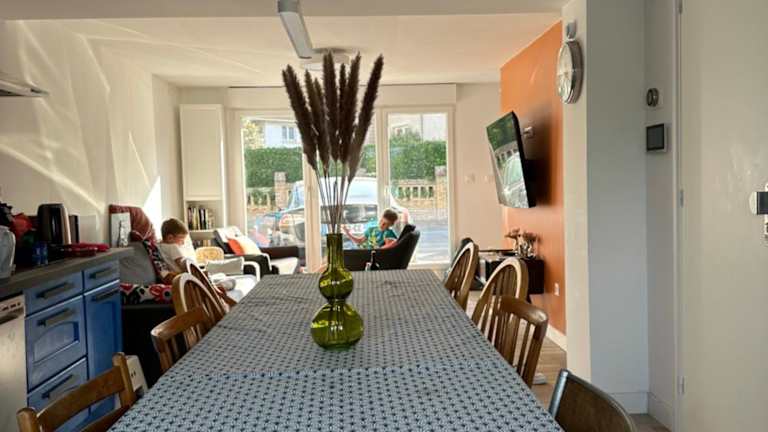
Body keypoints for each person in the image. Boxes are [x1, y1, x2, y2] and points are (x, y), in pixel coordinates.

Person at [157, 218, 196, 283]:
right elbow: (183, 263)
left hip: (171, 275)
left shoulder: (159, 246)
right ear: (170, 238)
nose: (183, 243)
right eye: (181, 238)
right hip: (180, 276)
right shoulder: (173, 247)